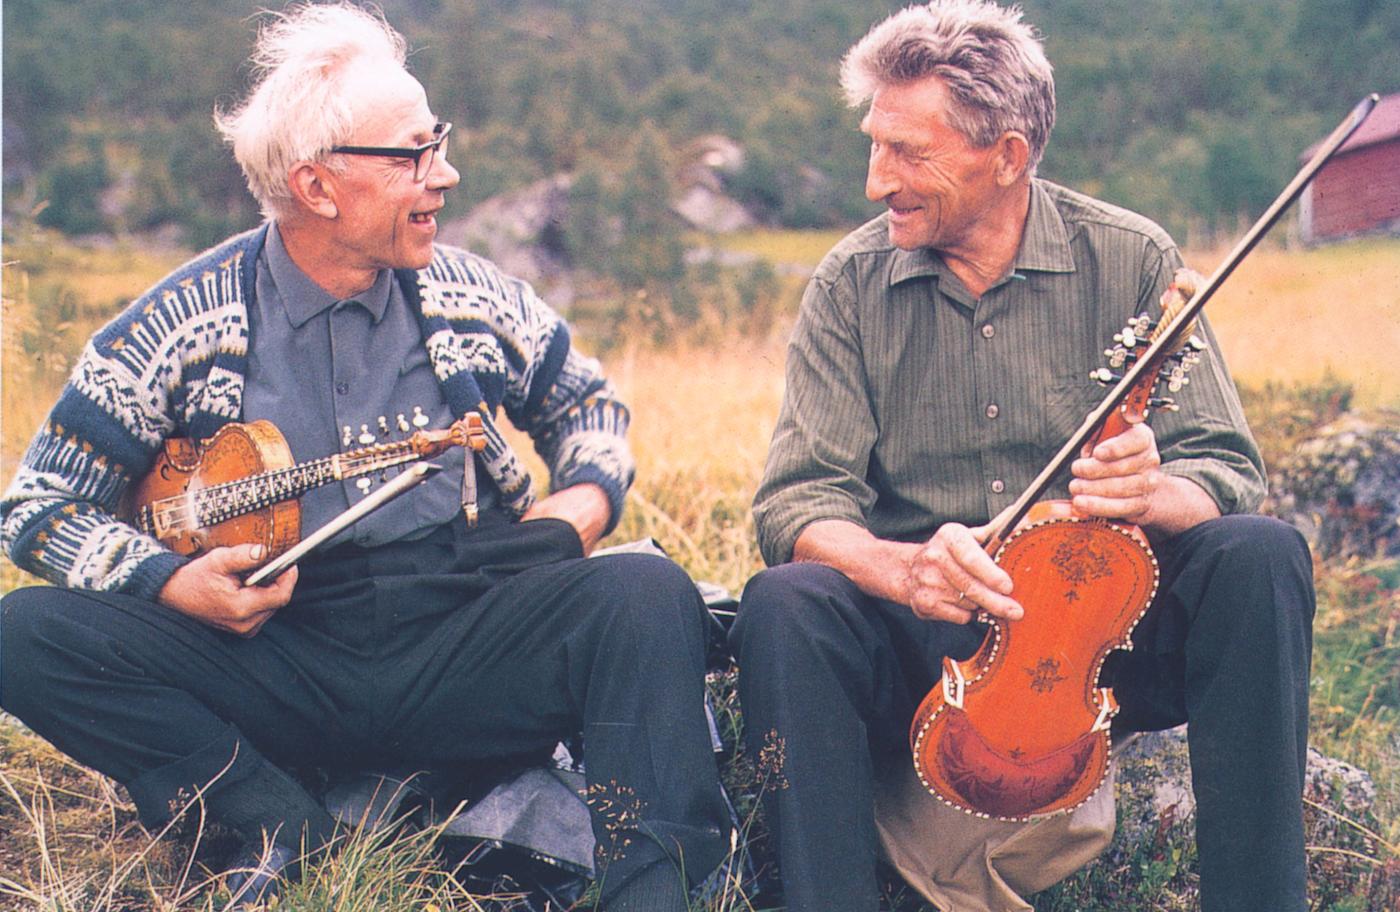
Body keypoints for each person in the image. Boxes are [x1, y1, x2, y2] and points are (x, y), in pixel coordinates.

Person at [0, 3, 728, 908]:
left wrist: (580, 504)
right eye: (413, 155)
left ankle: (654, 889)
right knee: (25, 635)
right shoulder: (178, 322)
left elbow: (588, 404)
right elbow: (35, 507)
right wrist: (168, 582)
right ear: (317, 186)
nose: (446, 175)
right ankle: (271, 820)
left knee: (645, 593)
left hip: (464, 625)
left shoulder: (470, 293)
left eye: (440, 144)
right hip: (279, 648)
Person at [730, 2, 1315, 911]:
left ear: (1007, 156)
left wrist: (1156, 490)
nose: (876, 179)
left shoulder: (1131, 257)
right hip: (929, 636)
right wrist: (906, 568)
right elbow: (797, 504)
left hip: (1099, 632)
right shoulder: (850, 285)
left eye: (908, 153)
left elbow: (1226, 471)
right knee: (785, 602)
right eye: (873, 144)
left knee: (1261, 556)